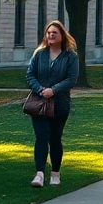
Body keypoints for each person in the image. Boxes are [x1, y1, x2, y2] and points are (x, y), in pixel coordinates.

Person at [25, 21, 80, 188]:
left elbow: (71, 79)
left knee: (55, 139)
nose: (51, 35)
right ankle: (39, 174)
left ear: (61, 35)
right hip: (39, 103)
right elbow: (30, 75)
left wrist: (53, 90)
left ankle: (55, 172)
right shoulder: (39, 54)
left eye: (54, 33)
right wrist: (40, 89)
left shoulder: (70, 56)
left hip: (60, 103)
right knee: (41, 137)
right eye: (49, 32)